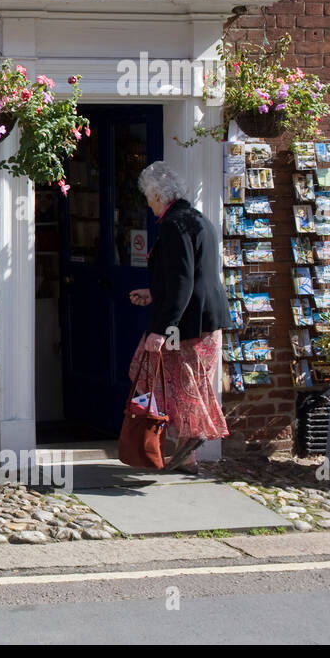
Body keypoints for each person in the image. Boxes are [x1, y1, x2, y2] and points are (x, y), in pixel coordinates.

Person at [127, 161, 232, 473]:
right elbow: (188, 277)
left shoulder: (175, 224)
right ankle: (186, 454)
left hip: (189, 325)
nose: (147, 202)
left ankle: (193, 437)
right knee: (188, 384)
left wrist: (161, 328)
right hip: (205, 320)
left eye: (148, 196)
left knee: (169, 381)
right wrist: (154, 294)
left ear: (158, 194)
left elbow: (183, 282)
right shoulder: (196, 218)